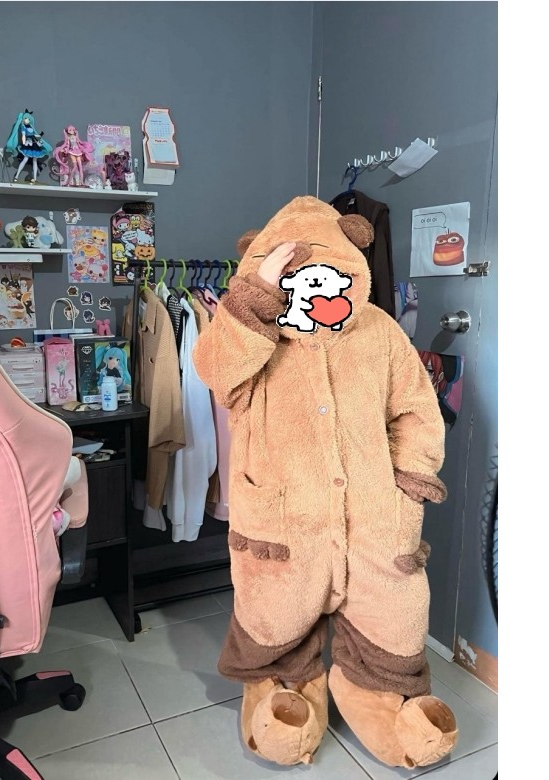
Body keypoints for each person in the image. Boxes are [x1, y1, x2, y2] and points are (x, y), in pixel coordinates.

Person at [192, 196, 455, 769]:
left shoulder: (379, 332)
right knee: (278, 609)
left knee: (391, 608)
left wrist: (409, 480)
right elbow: (215, 371)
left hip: (375, 510)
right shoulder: (249, 335)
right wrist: (255, 300)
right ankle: (282, 684)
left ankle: (379, 690)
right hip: (284, 514)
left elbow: (416, 408)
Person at [4, 110, 52, 184]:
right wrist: (24, 142)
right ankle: (17, 176)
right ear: (23, 119)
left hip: (34, 144)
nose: (27, 120)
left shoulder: (31, 127)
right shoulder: (23, 127)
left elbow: (35, 135)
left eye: (29, 119)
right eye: (26, 118)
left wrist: (40, 140)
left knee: (35, 160)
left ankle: (34, 178)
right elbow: (23, 135)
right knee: (25, 159)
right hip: (28, 143)